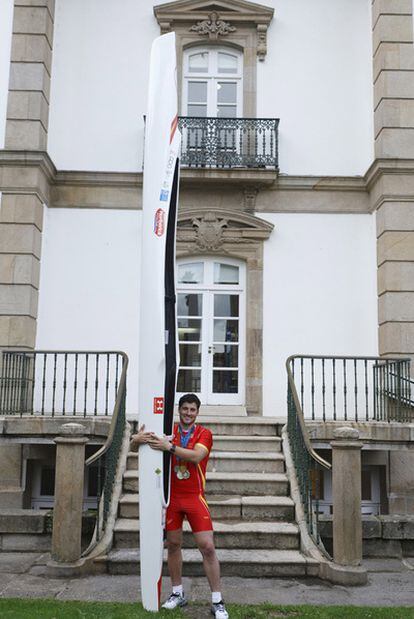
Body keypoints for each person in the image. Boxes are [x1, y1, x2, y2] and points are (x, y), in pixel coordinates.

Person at [131, 393, 229, 619]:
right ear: (179, 410)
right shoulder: (168, 431)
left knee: (207, 547)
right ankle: (177, 593)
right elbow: (139, 450)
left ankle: (217, 601)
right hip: (172, 498)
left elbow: (196, 456)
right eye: (184, 409)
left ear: (197, 412)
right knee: (173, 545)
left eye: (192, 409)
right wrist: (136, 440)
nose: (188, 413)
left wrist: (170, 447)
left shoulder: (204, 433)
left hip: (195, 498)